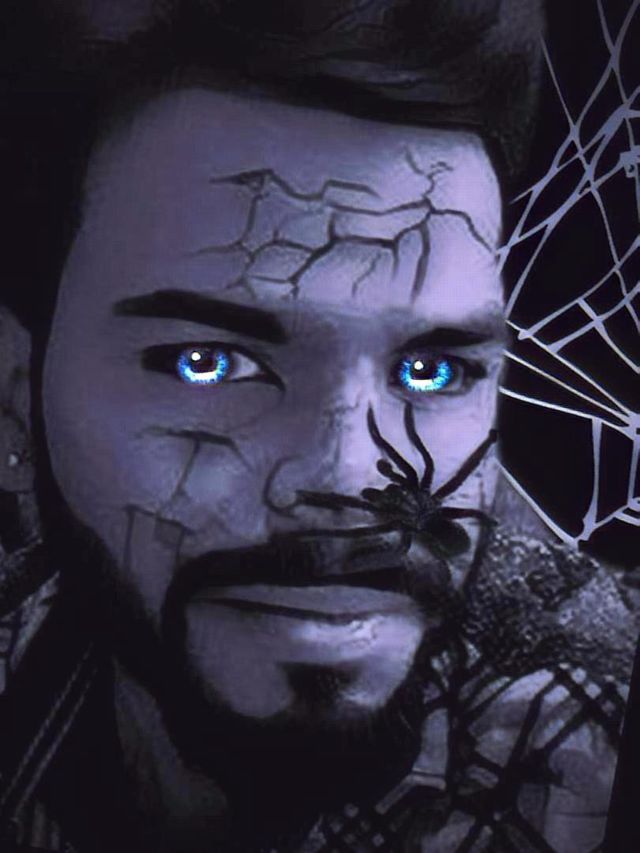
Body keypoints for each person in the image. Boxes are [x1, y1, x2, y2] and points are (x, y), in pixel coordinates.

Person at [0, 2, 635, 851]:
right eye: (206, 362)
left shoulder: (589, 741)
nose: (348, 478)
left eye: (432, 371)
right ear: (16, 396)